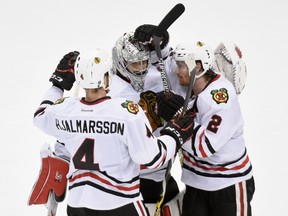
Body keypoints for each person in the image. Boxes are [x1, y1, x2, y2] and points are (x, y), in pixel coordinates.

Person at [32, 49, 195, 216]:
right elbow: (149, 157)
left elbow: (40, 115)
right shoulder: (126, 112)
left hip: (77, 205)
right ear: (105, 78)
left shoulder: (65, 109)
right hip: (119, 203)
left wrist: (58, 84)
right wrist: (174, 134)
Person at [156, 41, 255, 216]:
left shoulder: (220, 98)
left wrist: (176, 116)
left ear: (198, 66)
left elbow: (204, 147)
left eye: (181, 66)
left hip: (228, 185)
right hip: (196, 184)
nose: (176, 71)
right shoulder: (192, 87)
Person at [109, 30, 184, 214]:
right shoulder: (112, 94)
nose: (142, 68)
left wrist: (163, 47)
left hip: (161, 171)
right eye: (135, 64)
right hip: (134, 178)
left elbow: (176, 74)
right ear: (121, 62)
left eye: (145, 62)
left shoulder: (151, 74)